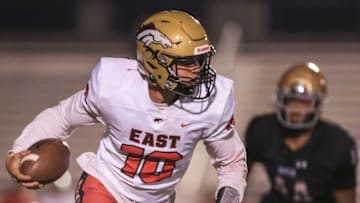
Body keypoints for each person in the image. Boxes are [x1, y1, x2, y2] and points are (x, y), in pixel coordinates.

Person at [5, 10, 247, 203]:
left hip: (158, 198)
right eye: (187, 62)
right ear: (155, 62)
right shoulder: (115, 87)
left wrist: (230, 194)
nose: (197, 70)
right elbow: (62, 117)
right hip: (107, 185)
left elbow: (231, 162)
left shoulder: (211, 101)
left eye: (200, 61)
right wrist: (20, 150)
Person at [245, 62, 357, 203]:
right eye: (291, 101)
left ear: (317, 104)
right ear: (281, 100)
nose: (296, 109)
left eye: (304, 102)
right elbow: (237, 178)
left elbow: (346, 199)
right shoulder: (262, 130)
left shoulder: (337, 145)